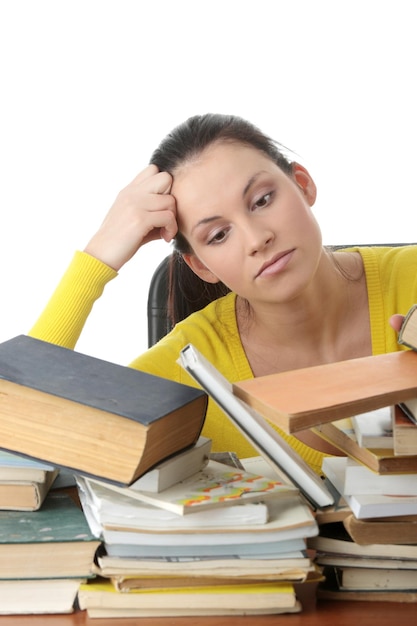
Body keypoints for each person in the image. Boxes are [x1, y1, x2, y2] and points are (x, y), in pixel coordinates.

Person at [29, 113, 417, 475]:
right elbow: (14, 440)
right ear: (201, 266)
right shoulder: (181, 375)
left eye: (263, 200)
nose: (256, 238)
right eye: (217, 235)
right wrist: (97, 258)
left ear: (303, 184)